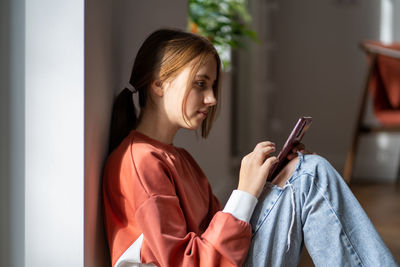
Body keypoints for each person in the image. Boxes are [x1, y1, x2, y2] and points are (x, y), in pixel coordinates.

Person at [102, 28, 398, 267]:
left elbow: (225, 233)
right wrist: (245, 192)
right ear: (158, 83)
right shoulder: (141, 162)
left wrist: (272, 183)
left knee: (304, 174)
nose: (212, 99)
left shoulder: (178, 157)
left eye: (212, 87)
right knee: (310, 176)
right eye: (200, 84)